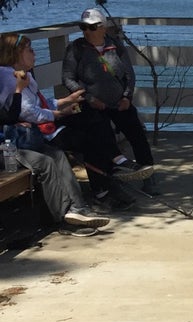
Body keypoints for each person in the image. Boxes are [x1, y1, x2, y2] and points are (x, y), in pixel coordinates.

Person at [0, 33, 147, 211]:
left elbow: (39, 104)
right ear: (16, 53)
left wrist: (66, 101)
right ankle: (107, 183)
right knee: (89, 140)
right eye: (29, 50)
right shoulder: (9, 79)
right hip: (36, 132)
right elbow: (28, 112)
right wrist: (59, 114)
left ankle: (114, 167)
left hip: (44, 123)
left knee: (93, 117)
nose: (34, 53)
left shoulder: (22, 76)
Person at [0, 63, 109, 236]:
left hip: (13, 141)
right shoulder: (8, 79)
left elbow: (9, 116)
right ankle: (64, 219)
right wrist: (19, 91)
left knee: (57, 155)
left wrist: (15, 119)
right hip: (6, 148)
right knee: (45, 162)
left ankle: (78, 207)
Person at [62, 8, 157, 195]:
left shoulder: (116, 45)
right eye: (83, 27)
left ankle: (148, 175)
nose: (87, 32)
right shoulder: (76, 49)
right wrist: (89, 98)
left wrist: (126, 97)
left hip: (119, 102)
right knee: (100, 138)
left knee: (137, 134)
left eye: (92, 27)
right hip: (92, 105)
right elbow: (68, 78)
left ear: (103, 27)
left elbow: (129, 75)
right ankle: (110, 181)